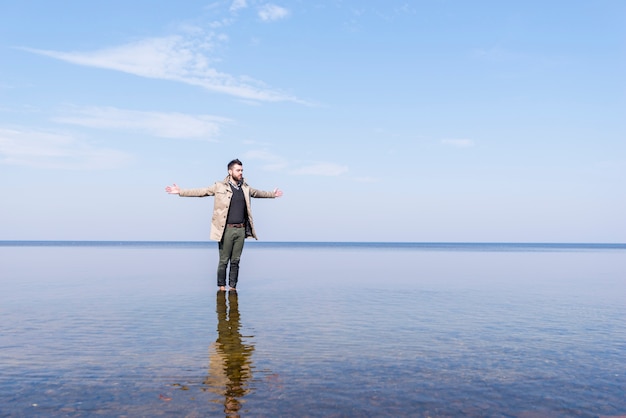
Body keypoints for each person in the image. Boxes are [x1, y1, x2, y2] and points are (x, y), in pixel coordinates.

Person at [165, 159, 282, 291]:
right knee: (223, 261)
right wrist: (181, 191)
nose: (241, 173)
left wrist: (273, 194)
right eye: (238, 170)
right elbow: (202, 192)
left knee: (236, 261)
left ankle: (233, 288)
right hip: (226, 230)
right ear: (230, 171)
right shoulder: (219, 186)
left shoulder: (245, 187)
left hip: (241, 230)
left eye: (242, 170)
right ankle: (221, 288)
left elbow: (259, 193)